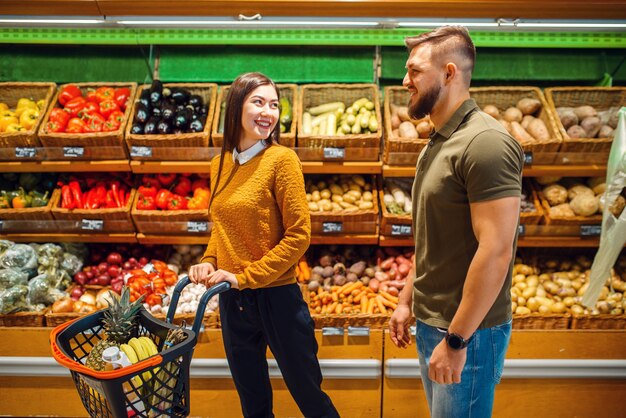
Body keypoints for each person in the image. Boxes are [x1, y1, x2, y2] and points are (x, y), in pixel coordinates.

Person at [388, 26, 524, 418]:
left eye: (414, 71)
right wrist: (407, 299)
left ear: (449, 73)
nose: (405, 81)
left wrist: (458, 340)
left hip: (470, 332)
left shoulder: (485, 143)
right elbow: (436, 238)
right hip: (436, 323)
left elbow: (496, 249)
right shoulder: (440, 140)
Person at [189, 72, 339, 418]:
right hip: (231, 299)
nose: (268, 112)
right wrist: (209, 260)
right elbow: (222, 226)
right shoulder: (220, 165)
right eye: (258, 102)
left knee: (309, 396)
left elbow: (299, 235)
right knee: (252, 400)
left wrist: (245, 276)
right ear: (236, 107)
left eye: (274, 105)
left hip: (277, 296)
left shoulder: (281, 160)